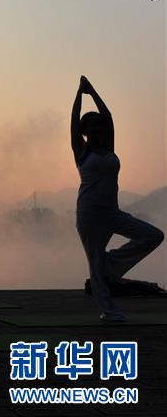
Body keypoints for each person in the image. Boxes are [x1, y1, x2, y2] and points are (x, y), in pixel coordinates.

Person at [70, 75, 163, 322]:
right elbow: (73, 122)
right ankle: (109, 311)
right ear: (85, 131)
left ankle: (109, 264)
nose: (99, 128)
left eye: (100, 126)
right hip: (89, 212)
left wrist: (93, 91)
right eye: (94, 126)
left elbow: (108, 117)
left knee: (153, 236)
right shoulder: (81, 151)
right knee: (95, 260)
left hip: (112, 211)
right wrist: (79, 95)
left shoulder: (109, 148)